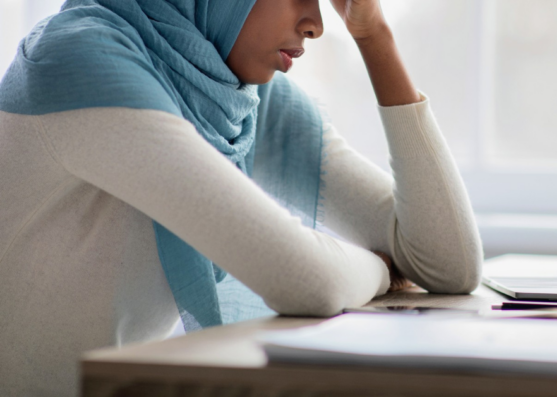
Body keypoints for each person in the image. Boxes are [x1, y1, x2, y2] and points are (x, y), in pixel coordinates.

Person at [0, 0, 482, 395]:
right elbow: (305, 279)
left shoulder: (234, 97)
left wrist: (374, 35)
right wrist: (384, 267)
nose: (314, 23)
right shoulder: (78, 61)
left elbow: (448, 264)